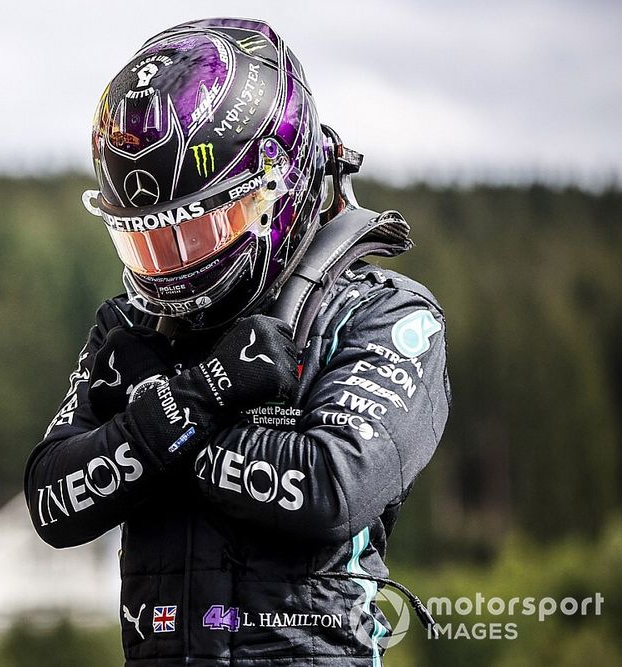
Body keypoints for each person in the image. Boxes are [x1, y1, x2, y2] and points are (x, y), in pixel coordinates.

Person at [23, 17, 450, 666]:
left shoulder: (386, 315)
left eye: (196, 231)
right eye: (148, 241)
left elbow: (333, 489)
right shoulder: (128, 328)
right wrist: (188, 402)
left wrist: (165, 415)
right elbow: (52, 501)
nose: (173, 265)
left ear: (277, 186)